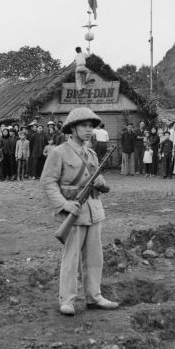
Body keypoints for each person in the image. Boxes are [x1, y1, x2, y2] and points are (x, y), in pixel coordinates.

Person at [40, 107, 117, 316]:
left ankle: (94, 296)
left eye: (91, 126)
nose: (89, 130)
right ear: (72, 128)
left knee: (94, 257)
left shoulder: (91, 153)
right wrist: (64, 204)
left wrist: (101, 183)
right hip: (74, 212)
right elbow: (48, 182)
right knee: (71, 258)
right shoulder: (59, 152)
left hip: (93, 210)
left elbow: (97, 182)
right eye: (84, 125)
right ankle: (67, 300)